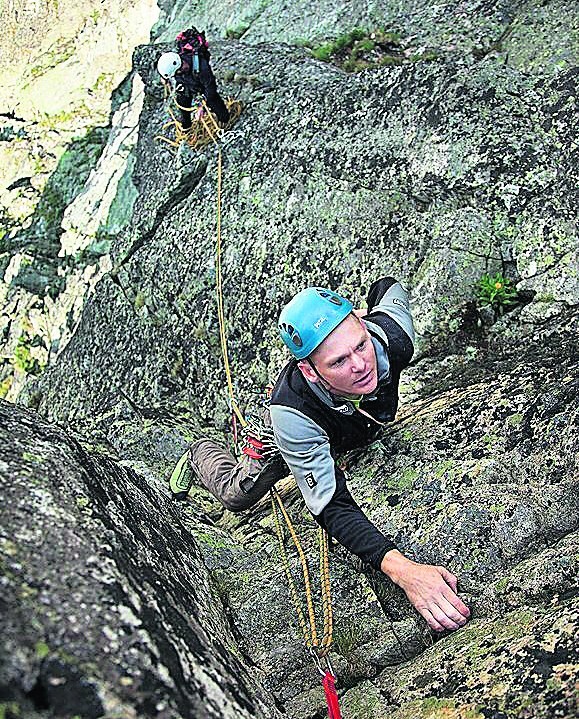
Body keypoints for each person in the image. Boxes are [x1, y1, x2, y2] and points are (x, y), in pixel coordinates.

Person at [172, 277, 471, 632]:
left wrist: (362, 316)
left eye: (359, 345)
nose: (360, 365)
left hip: (349, 416)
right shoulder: (292, 414)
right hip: (296, 431)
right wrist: (405, 572)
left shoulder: (393, 338)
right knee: (239, 494)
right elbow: (331, 506)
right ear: (309, 370)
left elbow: (387, 285)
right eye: (339, 361)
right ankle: (198, 453)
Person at [156, 27, 230, 129]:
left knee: (213, 101)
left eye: (176, 72)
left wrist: (203, 107)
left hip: (201, 83)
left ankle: (225, 120)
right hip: (187, 82)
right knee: (182, 101)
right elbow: (172, 71)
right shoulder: (177, 66)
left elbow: (211, 89)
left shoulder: (201, 67)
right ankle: (186, 126)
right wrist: (165, 78)